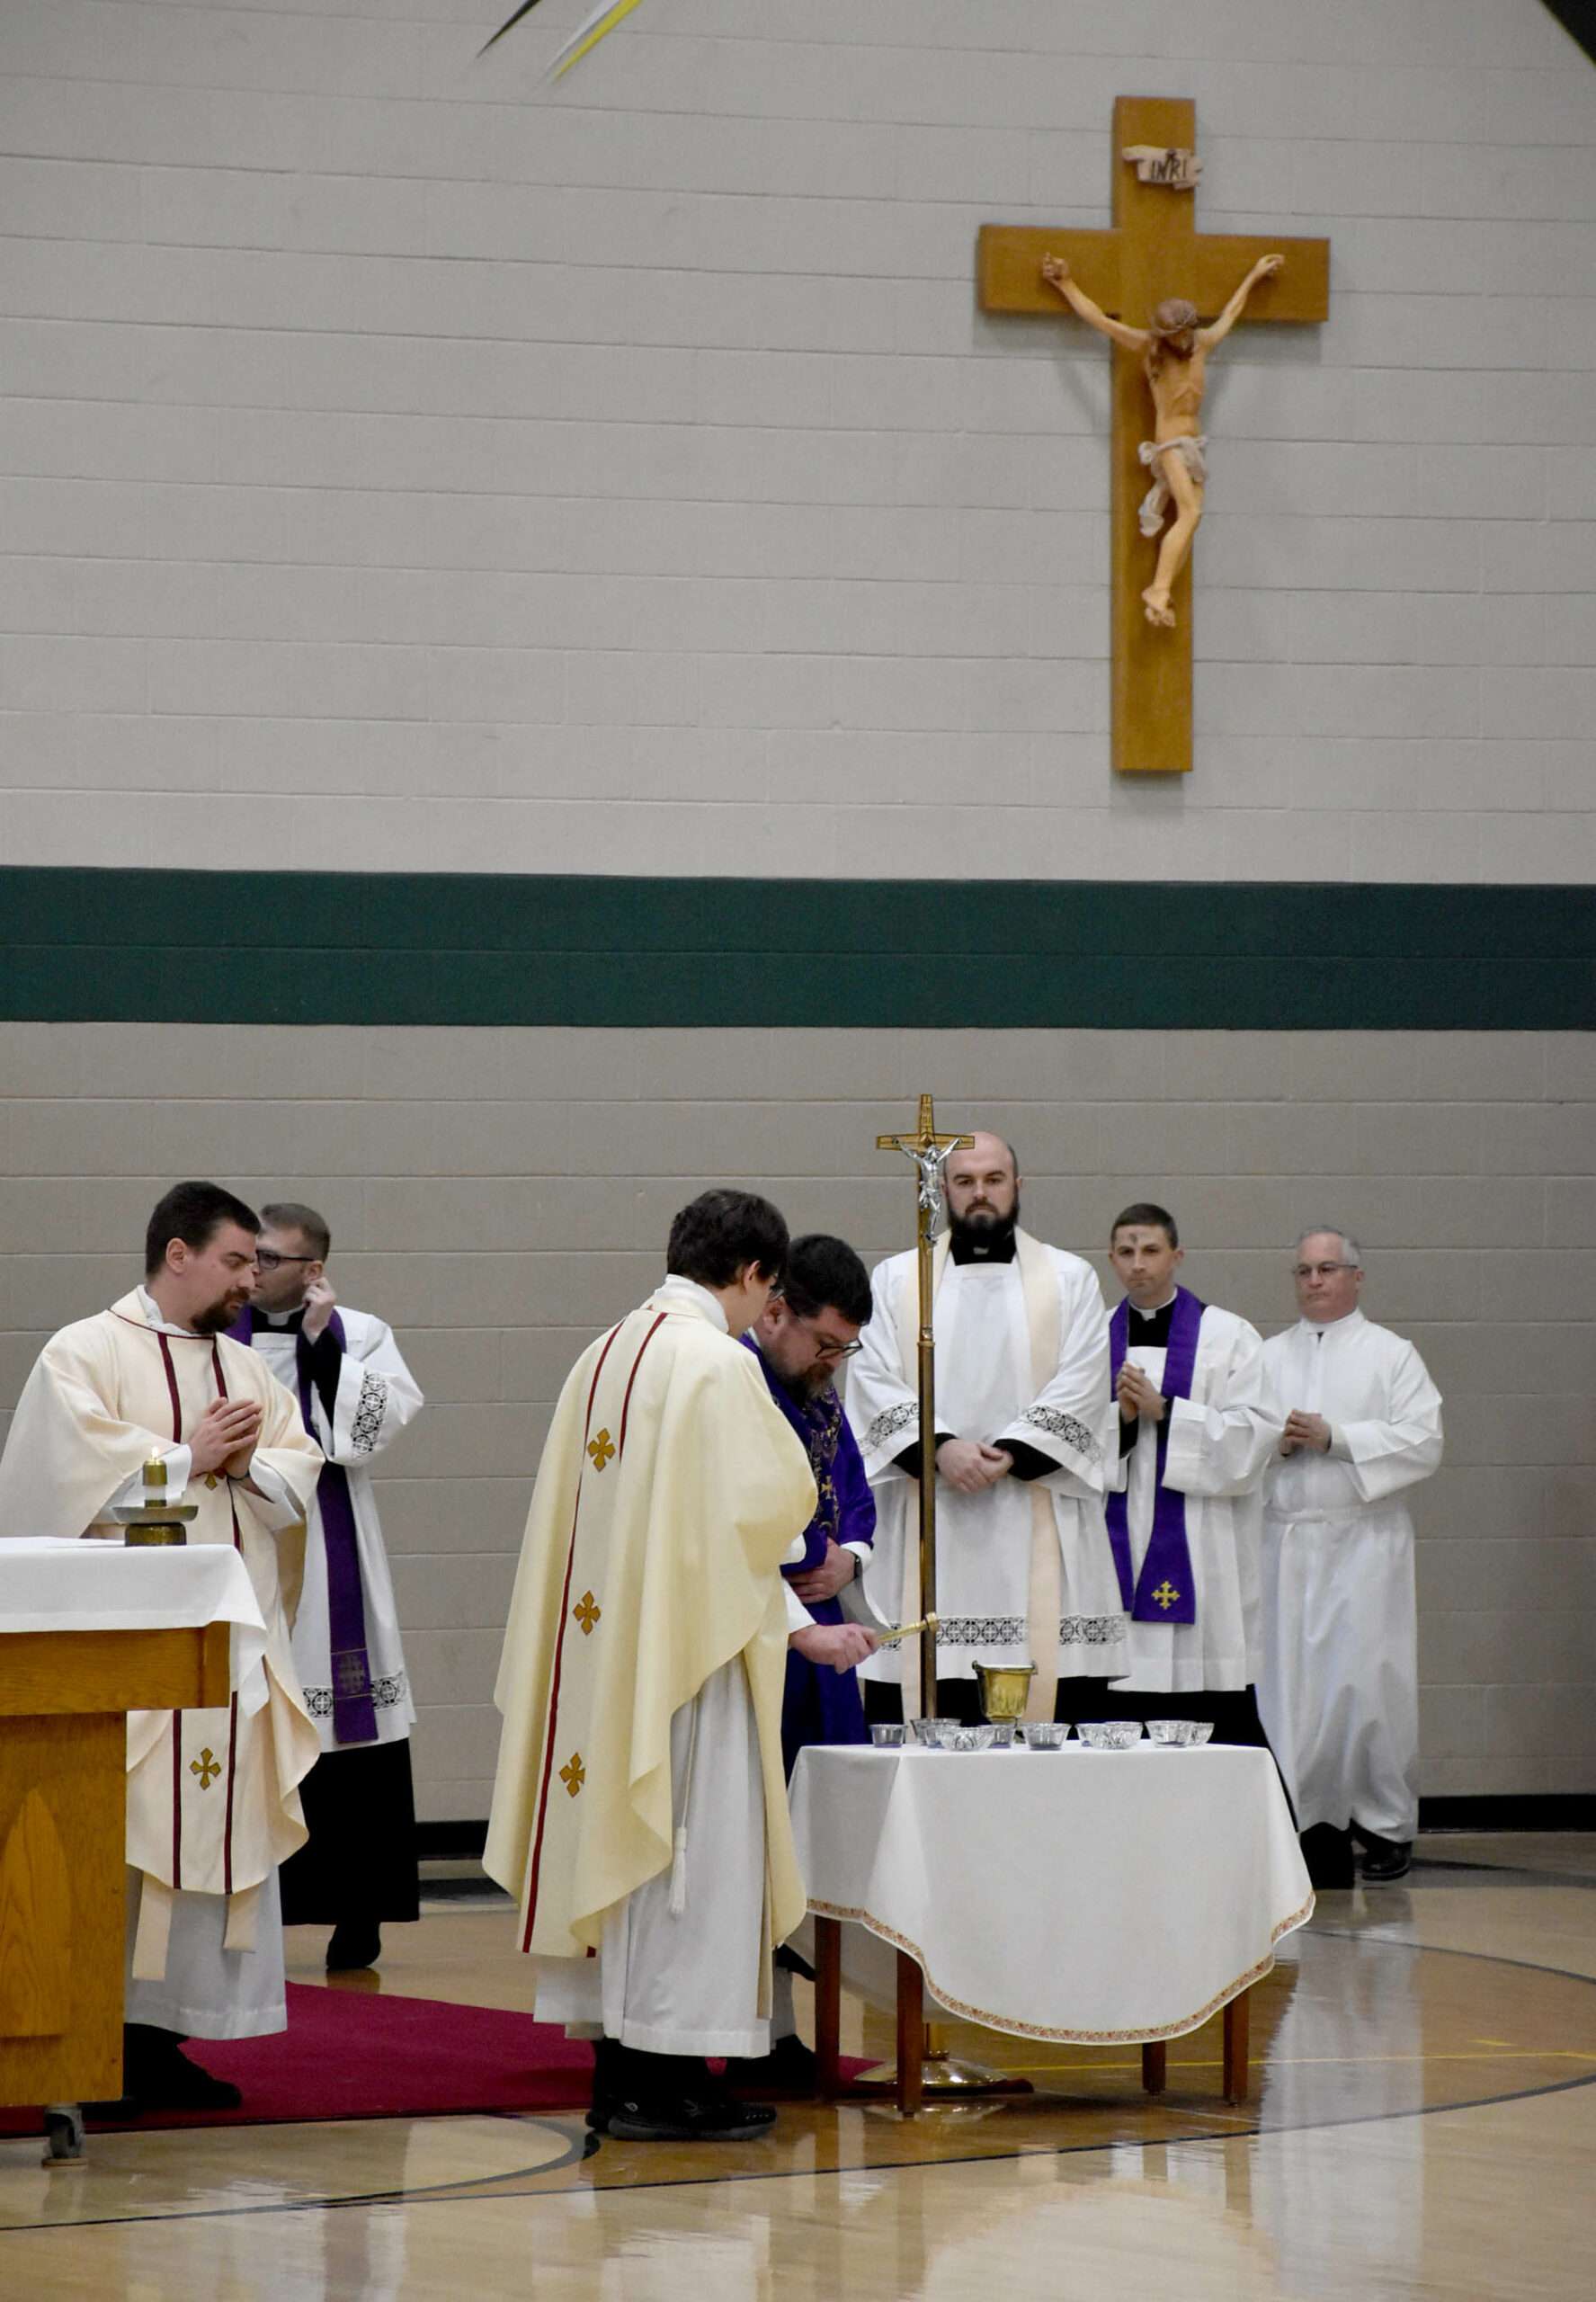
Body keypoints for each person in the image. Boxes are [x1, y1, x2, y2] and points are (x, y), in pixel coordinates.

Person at [485, 1190, 876, 2143]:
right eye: (766, 1289)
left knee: (631, 1855)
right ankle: (659, 2079)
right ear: (750, 1274)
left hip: (607, 1655)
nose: (762, 1309)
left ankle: (628, 2073)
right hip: (688, 1666)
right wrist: (801, 1620)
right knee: (684, 1861)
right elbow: (767, 1515)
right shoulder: (712, 1363)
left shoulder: (606, 1350)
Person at [0, 1182, 324, 2110]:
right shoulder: (85, 1350)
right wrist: (183, 1452)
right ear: (176, 1254)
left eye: (256, 1263)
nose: (249, 1279)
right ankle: (100, 2028)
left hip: (222, 1651)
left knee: (219, 1825)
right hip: (127, 1662)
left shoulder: (245, 1366)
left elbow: (297, 1470)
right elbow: (58, 1485)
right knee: (131, 1831)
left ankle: (169, 2030)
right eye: (234, 1260)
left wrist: (243, 1462)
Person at [850, 1131, 1124, 1724]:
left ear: (1017, 1187)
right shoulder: (897, 1281)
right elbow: (871, 1380)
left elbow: (1083, 1379)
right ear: (940, 1189)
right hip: (931, 1521)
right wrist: (940, 1449)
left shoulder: (1069, 1279)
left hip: (1033, 1508)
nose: (980, 1194)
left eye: (994, 1180)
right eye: (965, 1181)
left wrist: (1010, 1451)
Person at [228, 1201, 424, 1973]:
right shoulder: (217, 1334)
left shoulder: (362, 1332)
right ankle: (260, 1901)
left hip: (332, 1549)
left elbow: (370, 1432)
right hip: (246, 1540)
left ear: (312, 1270)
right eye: (250, 1258)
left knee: (350, 1730)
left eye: (270, 1261)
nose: (255, 1273)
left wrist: (323, 1348)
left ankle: (358, 1909)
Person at [1258, 1230, 1443, 1887]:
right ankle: (1300, 1818)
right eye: (1302, 1269)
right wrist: (1274, 1444)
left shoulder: (1391, 1355)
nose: (1313, 1281)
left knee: (1365, 1684)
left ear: (1355, 1277)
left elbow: (1423, 1441)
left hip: (1362, 1540)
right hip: (1284, 1540)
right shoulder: (1266, 1355)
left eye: (1327, 1269)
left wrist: (1337, 1438)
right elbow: (1237, 1435)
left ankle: (1384, 1823)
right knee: (1290, 1688)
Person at [737, 1231, 878, 2085]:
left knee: (807, 1837)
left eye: (846, 1348)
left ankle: (788, 2033)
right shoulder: (736, 1384)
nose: (834, 1362)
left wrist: (849, 1560)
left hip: (820, 1648)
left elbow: (856, 1499)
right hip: (758, 1640)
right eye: (825, 1343)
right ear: (775, 1310)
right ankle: (753, 2034)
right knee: (752, 1841)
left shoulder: (818, 1391)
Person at [1090, 1203, 1279, 1742]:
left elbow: (1256, 1436)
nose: (1138, 1265)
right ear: (1111, 1259)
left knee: (1215, 1711)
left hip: (1202, 1544)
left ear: (1177, 1255)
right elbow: (1070, 1443)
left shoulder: (1229, 1336)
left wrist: (1167, 1412)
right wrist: (1120, 1421)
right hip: (1115, 1546)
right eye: (1125, 1252)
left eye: (1150, 1251)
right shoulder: (1092, 1338)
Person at [1041, 247, 1283, 628]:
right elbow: (1099, 320)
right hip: (1170, 445)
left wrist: (1254, 275)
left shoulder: (1202, 344)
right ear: (1167, 336)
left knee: (1192, 521)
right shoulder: (1149, 350)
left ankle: (1161, 597)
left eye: (1189, 329)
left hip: (1194, 446)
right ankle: (1156, 589)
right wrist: (1067, 282)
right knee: (1191, 512)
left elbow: (1231, 313)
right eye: (1179, 333)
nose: (1186, 337)